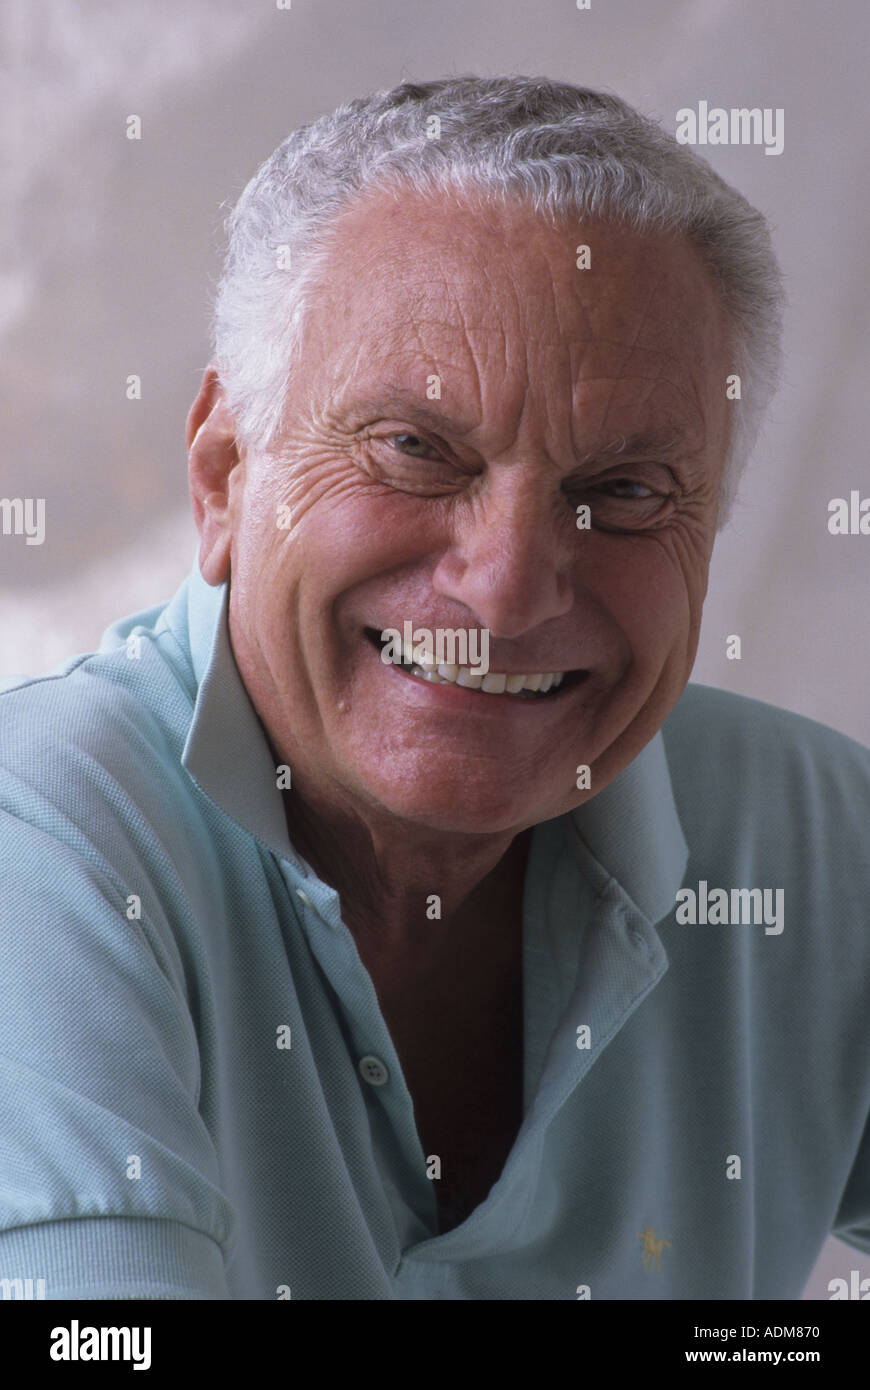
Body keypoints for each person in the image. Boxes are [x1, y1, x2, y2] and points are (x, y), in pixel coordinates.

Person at [1, 75, 869, 1301]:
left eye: (622, 491)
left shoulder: (819, 839)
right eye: (415, 449)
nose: (509, 591)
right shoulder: (39, 851)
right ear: (222, 480)